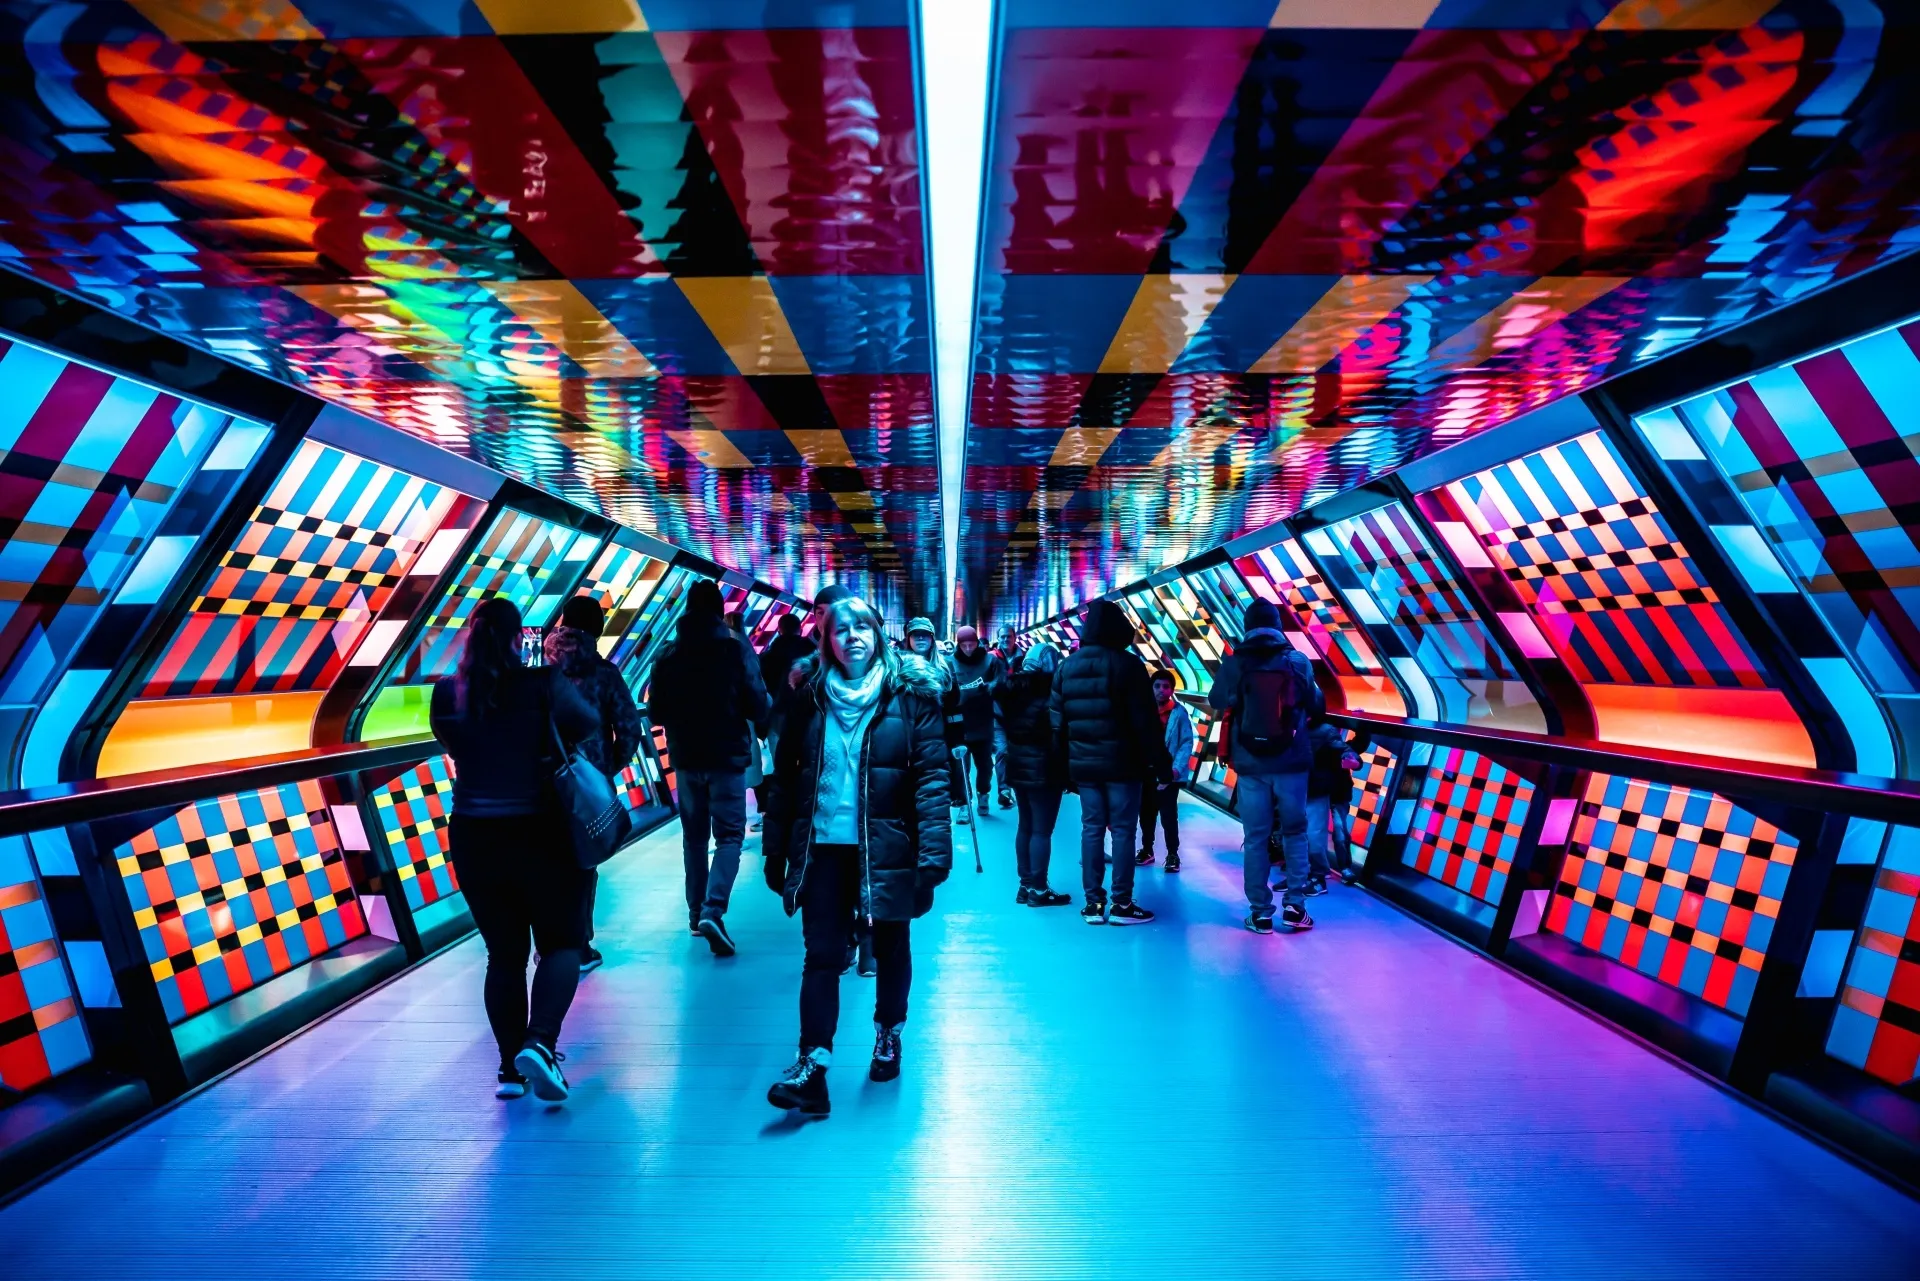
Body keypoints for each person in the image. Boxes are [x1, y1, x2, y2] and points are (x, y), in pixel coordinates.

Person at [762, 596, 952, 1116]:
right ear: (826, 640)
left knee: (890, 946)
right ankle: (812, 1068)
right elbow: (784, 780)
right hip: (822, 848)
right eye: (840, 629)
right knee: (822, 955)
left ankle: (888, 1033)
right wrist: (777, 851)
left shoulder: (911, 699)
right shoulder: (810, 700)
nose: (852, 636)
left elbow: (933, 780)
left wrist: (934, 853)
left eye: (862, 626)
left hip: (888, 846)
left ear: (879, 634)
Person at [430, 596, 599, 1102]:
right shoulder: (542, 683)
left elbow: (451, 740)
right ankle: (540, 1043)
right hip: (543, 832)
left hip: (475, 837)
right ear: (516, 639)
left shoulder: (446, 694)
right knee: (562, 943)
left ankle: (509, 1069)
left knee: (503, 956)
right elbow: (587, 722)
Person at [648, 579, 773, 958]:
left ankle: (694, 912)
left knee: (694, 838)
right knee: (730, 836)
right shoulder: (733, 652)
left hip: (686, 759)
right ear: (720, 611)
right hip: (727, 759)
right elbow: (757, 702)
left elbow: (655, 711)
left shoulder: (668, 655)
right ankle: (713, 910)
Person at [543, 595, 647, 974]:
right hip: (589, 783)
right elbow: (629, 727)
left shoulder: (540, 668)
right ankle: (579, 944)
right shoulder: (604, 673)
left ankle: (549, 943)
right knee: (584, 862)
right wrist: (610, 767)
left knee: (549, 863)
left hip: (543, 781)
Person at [1050, 599, 1170, 925]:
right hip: (1123, 765)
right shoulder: (1129, 666)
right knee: (1122, 832)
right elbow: (1145, 723)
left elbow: (1057, 725)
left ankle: (1093, 905)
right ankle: (1122, 904)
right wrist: (1161, 766)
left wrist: (1063, 770)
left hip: (1084, 766)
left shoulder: (1066, 668)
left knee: (1091, 830)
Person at [1209, 600, 1323, 934]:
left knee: (1256, 837)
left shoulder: (1236, 663)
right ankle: (1295, 907)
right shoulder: (1297, 661)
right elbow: (1317, 704)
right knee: (1295, 832)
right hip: (1291, 761)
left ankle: (1260, 912)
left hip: (1251, 764)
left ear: (1247, 627)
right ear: (1277, 626)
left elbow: (1217, 701)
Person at [995, 641, 1072, 906]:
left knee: (1025, 825)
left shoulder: (1012, 692)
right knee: (1042, 831)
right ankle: (1039, 889)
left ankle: (1025, 884)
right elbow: (1059, 735)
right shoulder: (1052, 696)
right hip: (1045, 769)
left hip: (1018, 766)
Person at [1135, 668, 1195, 873]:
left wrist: (1176, 771)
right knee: (1146, 813)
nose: (1161, 690)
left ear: (1172, 689)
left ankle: (1172, 854)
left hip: (1169, 775)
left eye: (1166, 686)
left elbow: (1186, 742)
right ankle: (1147, 849)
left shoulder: (1179, 713)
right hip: (1146, 772)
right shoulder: (1143, 711)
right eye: (1157, 686)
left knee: (1169, 815)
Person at [944, 625, 1005, 817]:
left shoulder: (991, 661)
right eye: (964, 645)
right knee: (961, 768)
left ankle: (984, 793)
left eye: (971, 644)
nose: (968, 649)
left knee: (985, 765)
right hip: (960, 724)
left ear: (977, 643)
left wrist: (990, 687)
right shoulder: (950, 663)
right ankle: (965, 804)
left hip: (984, 721)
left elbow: (1002, 681)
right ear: (958, 645)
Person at [1306, 722, 1367, 890]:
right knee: (1316, 830)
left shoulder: (1342, 747)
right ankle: (1320, 867)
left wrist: (1359, 721)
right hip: (1323, 792)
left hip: (1336, 794)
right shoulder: (1319, 746)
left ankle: (1344, 868)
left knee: (1339, 832)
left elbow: (1361, 742)